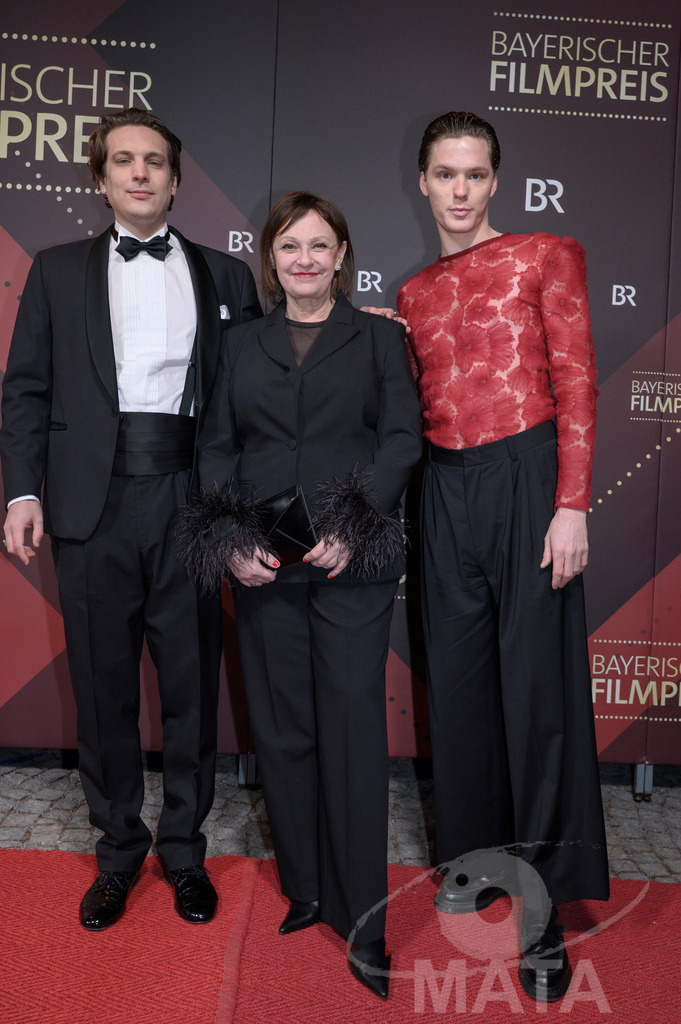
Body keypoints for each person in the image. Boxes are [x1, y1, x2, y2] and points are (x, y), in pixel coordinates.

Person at [0, 108, 261, 930]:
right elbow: (25, 393)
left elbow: (254, 396)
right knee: (103, 689)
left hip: (189, 500)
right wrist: (22, 491)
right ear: (101, 178)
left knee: (189, 690)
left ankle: (183, 853)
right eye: (124, 161)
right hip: (90, 506)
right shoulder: (54, 270)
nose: (140, 173)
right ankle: (117, 852)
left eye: (155, 161)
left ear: (176, 179)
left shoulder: (226, 277)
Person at [178, 191, 422, 1000]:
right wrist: (231, 538)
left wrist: (357, 523)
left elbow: (400, 440)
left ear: (342, 255)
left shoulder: (381, 339)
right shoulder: (238, 343)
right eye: (290, 248)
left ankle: (362, 919)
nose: (306, 259)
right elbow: (215, 445)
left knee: (351, 737)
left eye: (320, 246)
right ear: (270, 259)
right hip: (263, 566)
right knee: (282, 732)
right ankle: (306, 888)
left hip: (352, 564)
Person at [396, 112, 609, 1003]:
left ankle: (543, 912)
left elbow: (577, 381)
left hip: (528, 482)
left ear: (494, 181)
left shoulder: (544, 253)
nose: (457, 190)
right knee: (457, 689)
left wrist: (569, 505)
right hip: (443, 493)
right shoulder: (409, 293)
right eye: (443, 173)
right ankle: (479, 862)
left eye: (473, 175)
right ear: (421, 181)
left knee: (536, 699)